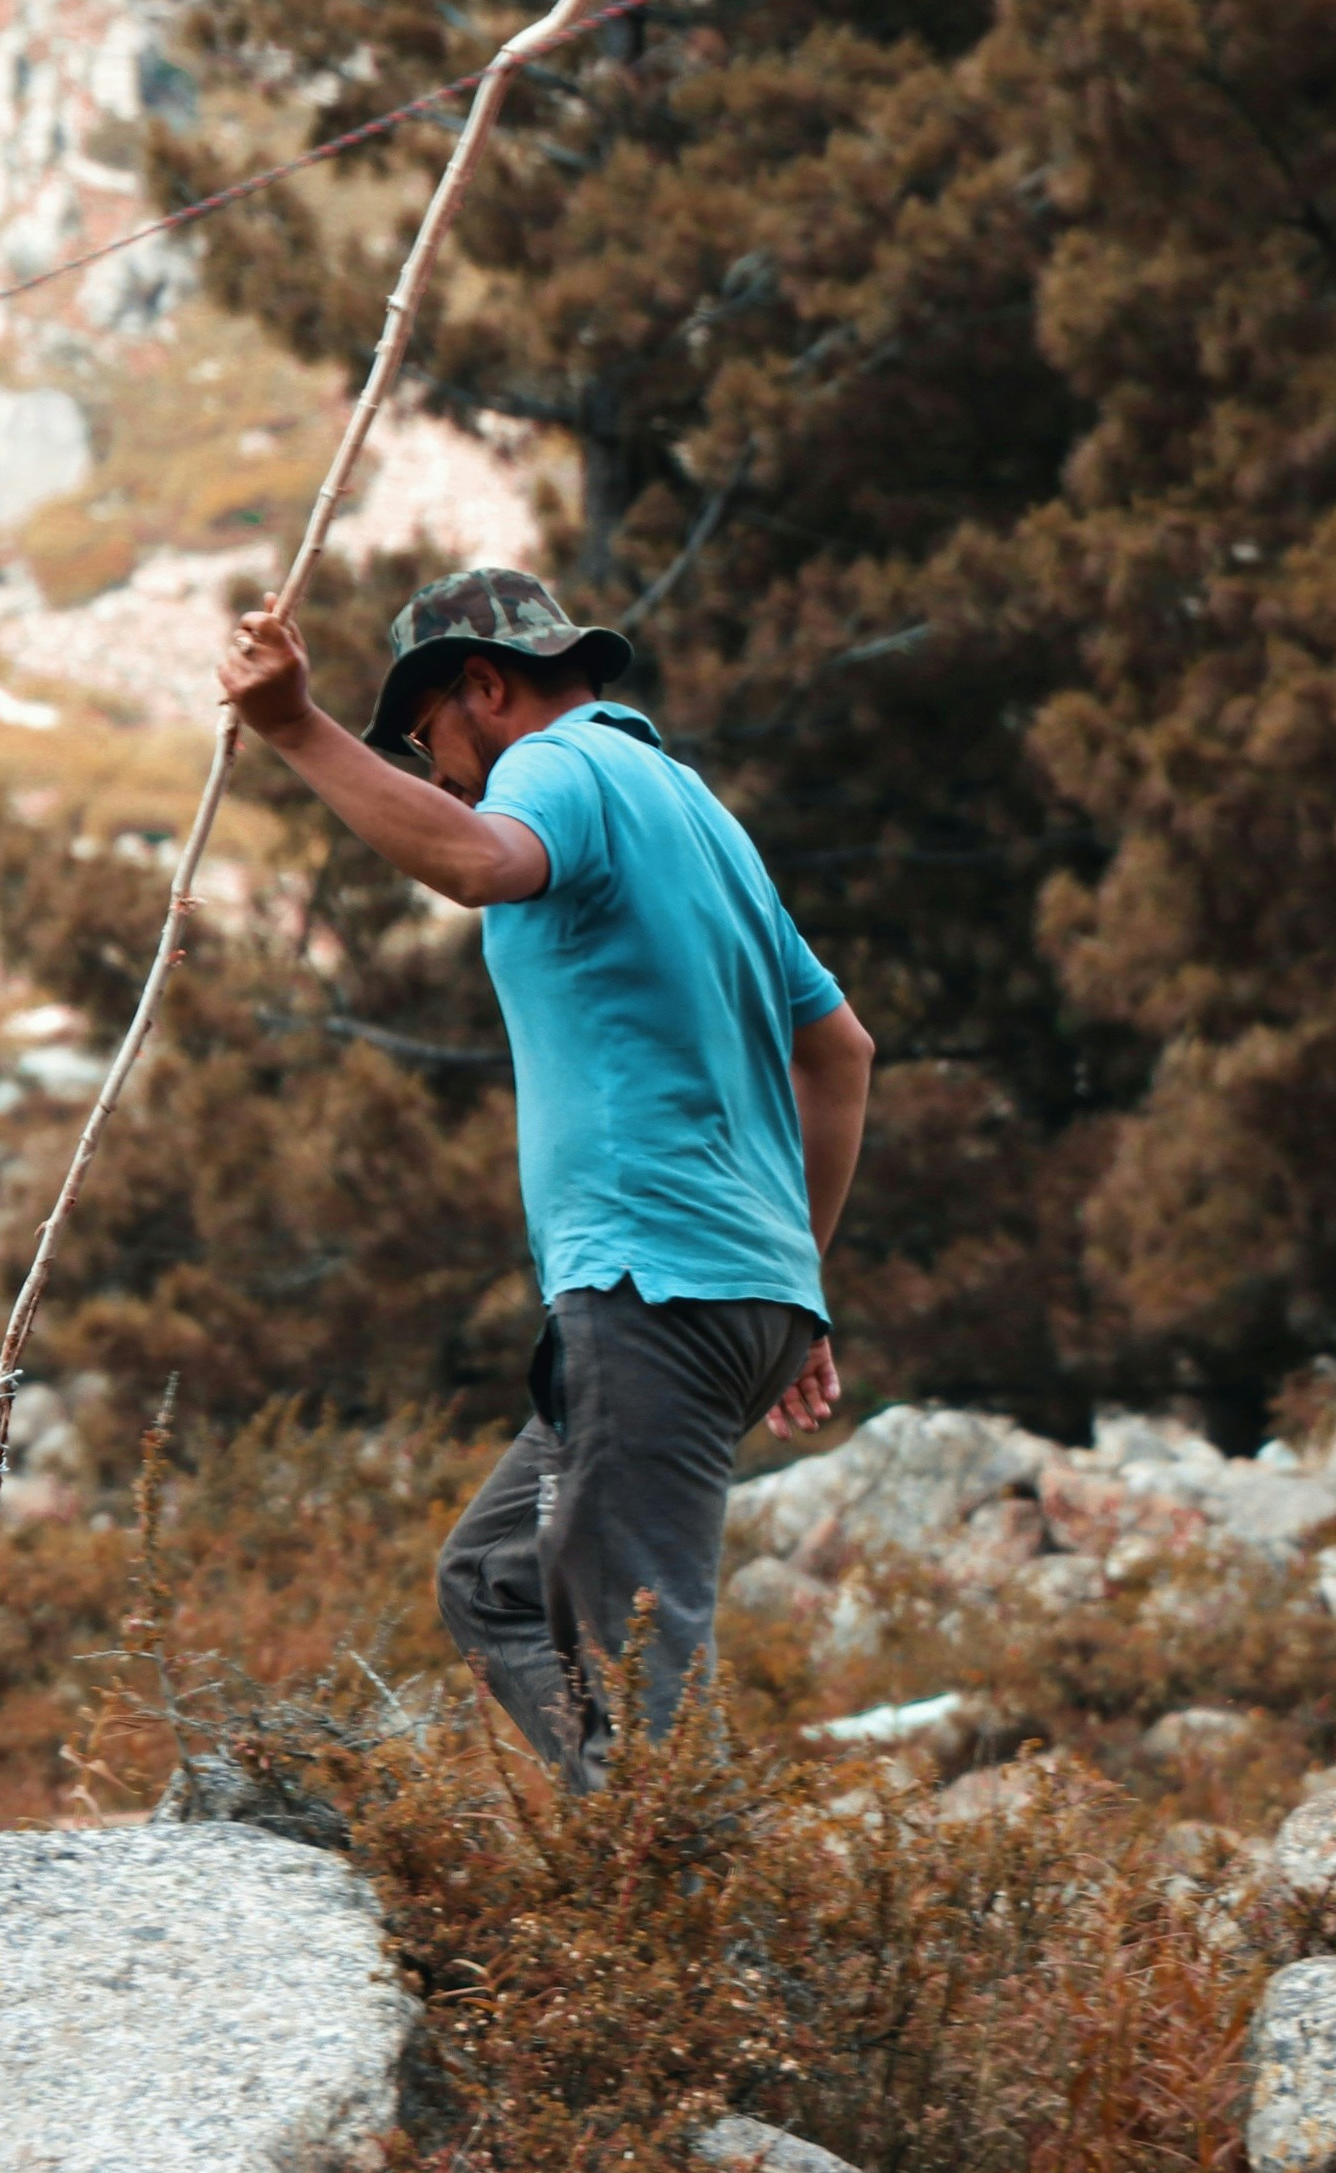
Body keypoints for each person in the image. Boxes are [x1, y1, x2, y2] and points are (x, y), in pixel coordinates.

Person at [213, 566, 874, 1789]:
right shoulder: (698, 811)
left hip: (649, 1292)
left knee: (643, 1672)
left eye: (428, 742)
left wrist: (295, 730)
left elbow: (475, 862)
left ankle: (695, 1930)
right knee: (496, 1582)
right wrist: (795, 1280)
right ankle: (638, 1879)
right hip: (733, 1296)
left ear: (486, 686)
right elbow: (840, 1051)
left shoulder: (555, 769)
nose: (437, 776)